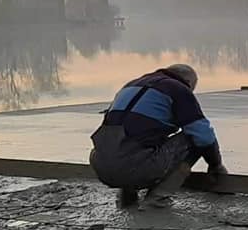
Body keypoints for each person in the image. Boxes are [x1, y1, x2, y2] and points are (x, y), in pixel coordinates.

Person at [89, 64, 227, 208]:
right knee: (194, 138)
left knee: (132, 140)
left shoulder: (130, 86)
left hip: (101, 166)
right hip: (133, 168)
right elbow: (203, 135)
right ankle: (158, 198)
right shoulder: (178, 89)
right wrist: (215, 165)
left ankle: (127, 197)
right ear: (189, 83)